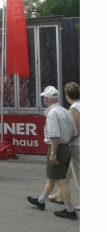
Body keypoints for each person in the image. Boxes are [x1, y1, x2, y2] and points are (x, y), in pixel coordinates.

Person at [27, 86, 78, 220]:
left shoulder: (52, 113)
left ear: (47, 100)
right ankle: (41, 201)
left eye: (44, 98)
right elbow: (74, 133)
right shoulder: (65, 111)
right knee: (52, 178)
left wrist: (54, 153)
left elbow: (55, 135)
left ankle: (69, 210)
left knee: (61, 181)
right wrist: (65, 142)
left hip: (57, 148)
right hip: (66, 147)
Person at [47, 82, 80, 211]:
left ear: (67, 95)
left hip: (76, 145)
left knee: (79, 174)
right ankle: (60, 195)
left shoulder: (75, 108)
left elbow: (75, 129)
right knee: (67, 173)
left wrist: (66, 141)